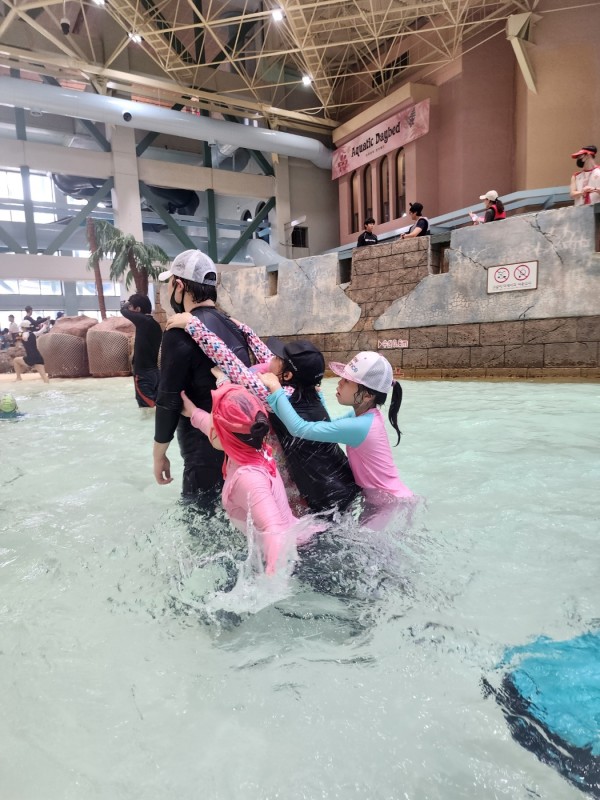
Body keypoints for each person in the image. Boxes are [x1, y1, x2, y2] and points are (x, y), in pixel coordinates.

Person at [165, 311, 362, 516]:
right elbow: (272, 363)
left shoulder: (279, 397)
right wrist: (246, 331)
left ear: (287, 375)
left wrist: (193, 326)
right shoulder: (306, 391)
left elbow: (233, 366)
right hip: (343, 480)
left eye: (277, 357)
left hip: (329, 496)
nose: (270, 358)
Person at [181, 383, 321, 574]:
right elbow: (216, 427)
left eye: (214, 424)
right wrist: (192, 412)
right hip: (301, 541)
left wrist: (271, 579)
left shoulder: (248, 478)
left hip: (298, 557)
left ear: (220, 434)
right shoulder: (253, 445)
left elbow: (275, 530)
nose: (211, 429)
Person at [153, 249, 251, 507]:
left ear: (179, 286)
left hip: (202, 449)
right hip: (240, 446)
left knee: (200, 517)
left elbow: (168, 399)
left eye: (169, 283)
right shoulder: (235, 327)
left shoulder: (179, 330)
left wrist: (158, 454)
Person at [261, 351, 413, 512]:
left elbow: (300, 429)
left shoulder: (359, 426)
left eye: (347, 381)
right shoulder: (366, 417)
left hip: (388, 502)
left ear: (367, 396)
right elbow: (328, 427)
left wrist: (276, 390)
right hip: (383, 497)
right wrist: (318, 397)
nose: (340, 383)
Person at [120, 293, 162, 408]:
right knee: (156, 407)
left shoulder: (143, 321)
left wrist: (127, 303)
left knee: (147, 410)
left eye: (131, 307)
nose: (129, 310)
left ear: (138, 309)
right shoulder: (155, 324)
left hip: (143, 376)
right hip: (155, 373)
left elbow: (123, 310)